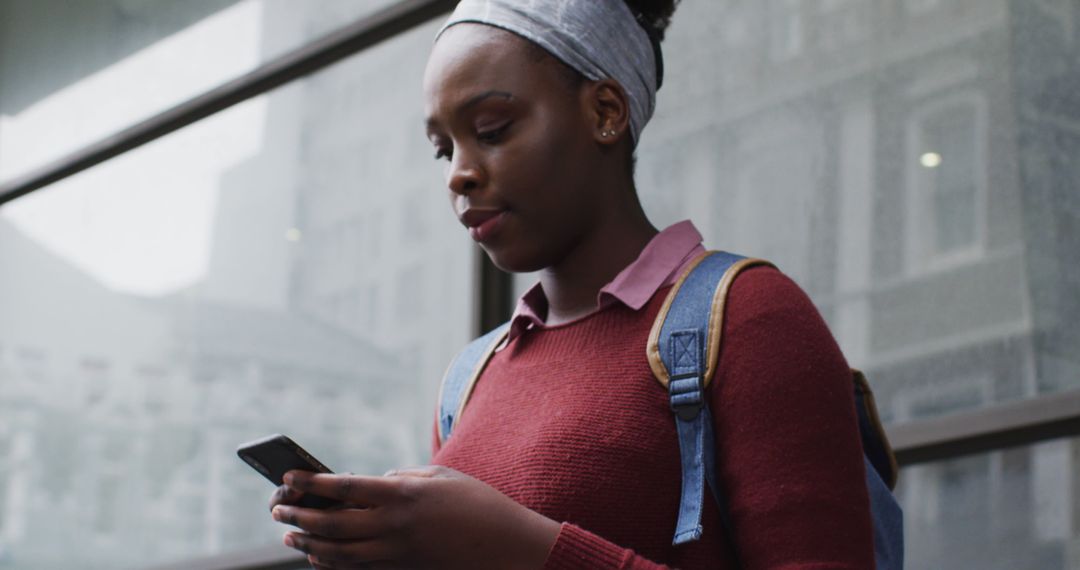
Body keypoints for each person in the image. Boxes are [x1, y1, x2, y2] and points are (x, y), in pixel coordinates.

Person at [267, 1, 876, 568]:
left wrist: (521, 546)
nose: (459, 175)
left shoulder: (750, 317)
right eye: (442, 150)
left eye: (493, 128)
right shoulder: (470, 379)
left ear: (605, 112)